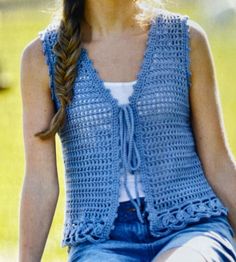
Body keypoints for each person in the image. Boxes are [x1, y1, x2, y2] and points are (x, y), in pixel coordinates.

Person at [19, 0, 236, 261]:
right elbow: (40, 182)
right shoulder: (42, 57)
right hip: (100, 242)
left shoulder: (186, 39)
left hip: (192, 226)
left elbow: (218, 162)